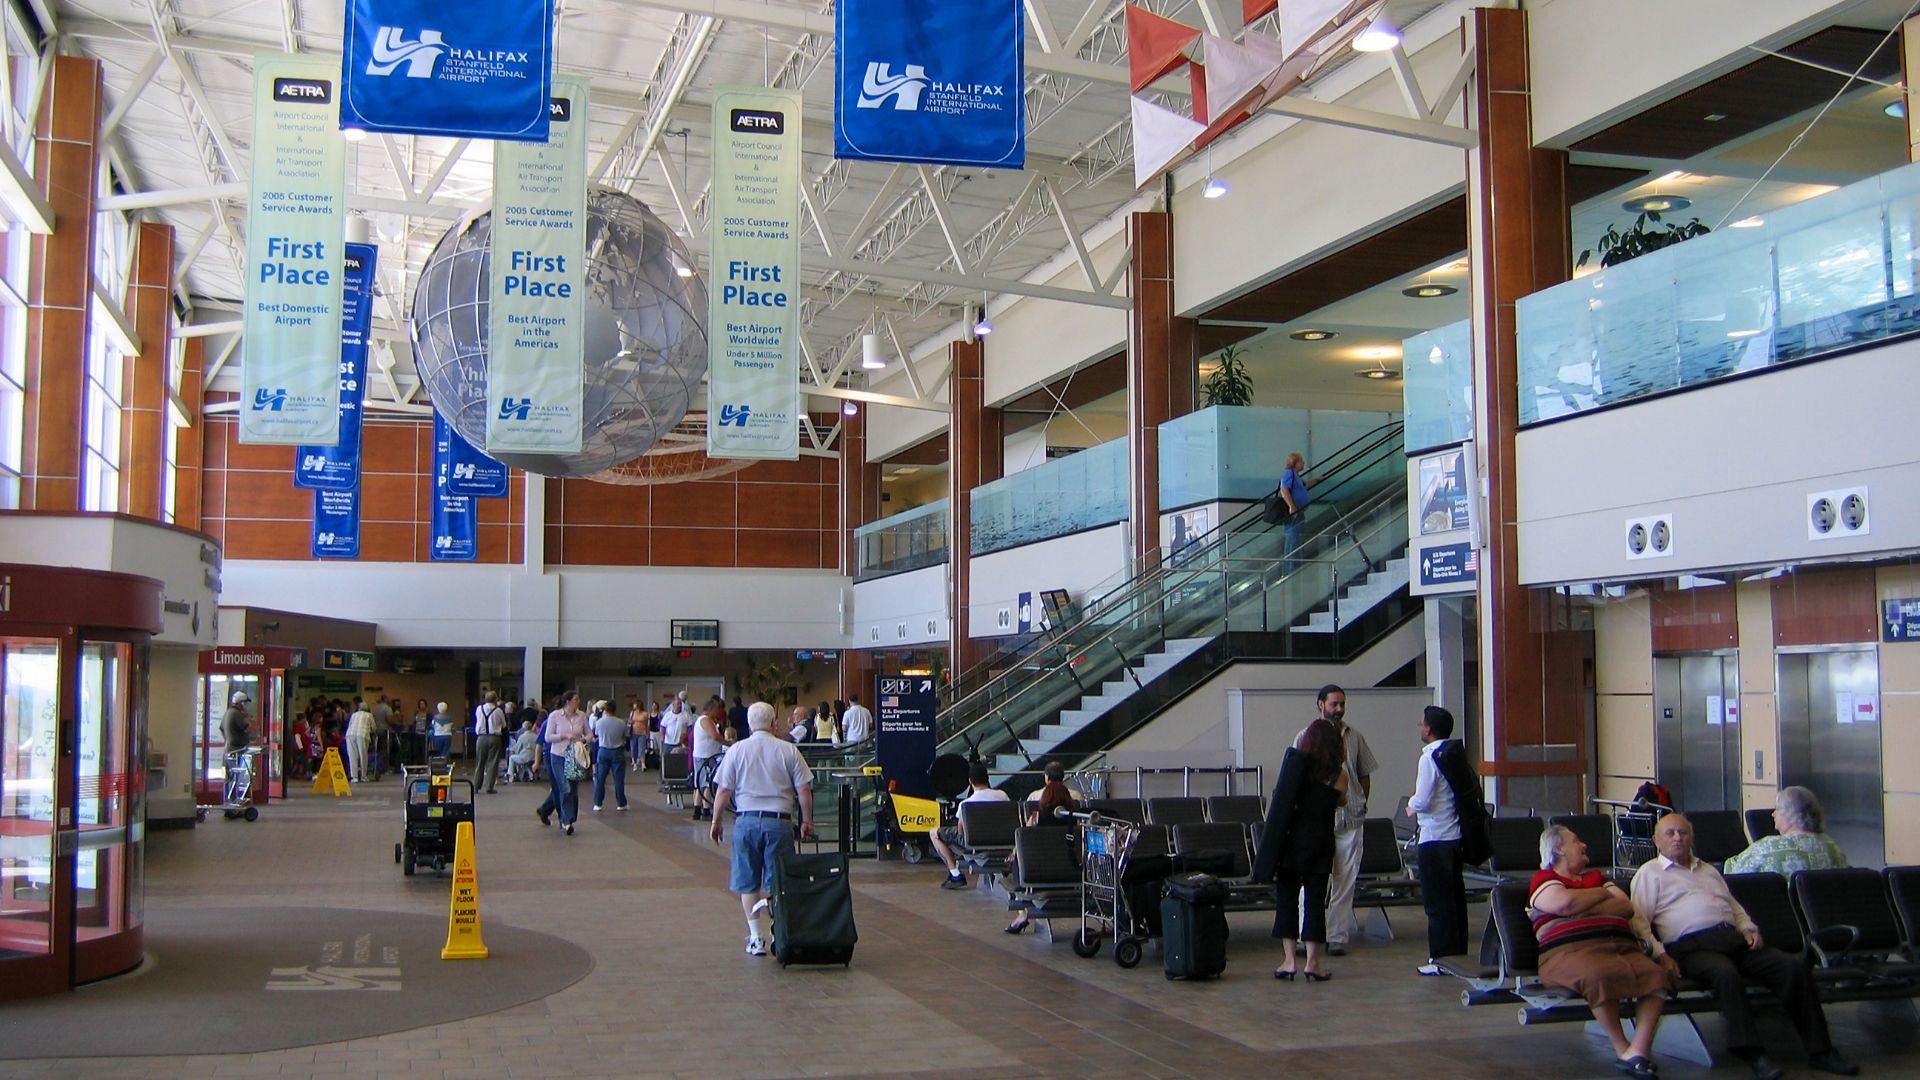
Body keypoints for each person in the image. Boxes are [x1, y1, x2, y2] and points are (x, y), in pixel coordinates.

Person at [1630, 814, 1857, 1079]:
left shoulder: (1708, 870)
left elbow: (1734, 908)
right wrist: (1661, 956)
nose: (1678, 838)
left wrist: (1749, 928)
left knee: (1791, 967)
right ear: (1656, 840)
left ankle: (1821, 1051)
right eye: (1670, 833)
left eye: (1683, 833)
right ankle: (1754, 1054)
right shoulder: (1650, 873)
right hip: (1690, 947)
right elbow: (1639, 922)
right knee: (1725, 973)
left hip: (1731, 939)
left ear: (1692, 838)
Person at [1531, 825, 1674, 1077]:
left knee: (1656, 976)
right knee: (1596, 977)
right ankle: (1623, 1049)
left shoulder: (1596, 876)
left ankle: (1638, 1051)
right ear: (1559, 849)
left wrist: (1578, 904)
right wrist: (1599, 895)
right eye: (1576, 841)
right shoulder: (1544, 878)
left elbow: (1625, 907)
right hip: (1569, 952)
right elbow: (1562, 903)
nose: (1584, 845)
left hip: (1618, 946)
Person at [708, 701, 815, 957]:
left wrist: (716, 821)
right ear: (774, 723)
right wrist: (807, 821)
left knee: (748, 881)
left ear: (749, 724)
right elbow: (804, 789)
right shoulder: (788, 750)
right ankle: (779, 932)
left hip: (746, 820)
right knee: (778, 882)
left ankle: (756, 937)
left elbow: (723, 791)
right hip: (779, 822)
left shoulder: (736, 750)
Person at [1293, 684, 1375, 955]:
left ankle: (1337, 936)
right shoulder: (1305, 737)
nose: (1339, 709)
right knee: (1311, 881)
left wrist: (1360, 802)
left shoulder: (1354, 737)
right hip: (1318, 820)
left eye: (1342, 704)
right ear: (1321, 705)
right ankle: (1307, 934)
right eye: (1333, 704)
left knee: (1345, 881)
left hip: (1350, 819)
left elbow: (1364, 773)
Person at [1270, 718, 1346, 982]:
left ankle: (1289, 961)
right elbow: (1342, 800)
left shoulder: (1296, 770)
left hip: (1292, 840)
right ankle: (1312, 962)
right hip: (1320, 841)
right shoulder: (1339, 775)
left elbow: (1282, 798)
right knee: (1315, 901)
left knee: (1287, 899)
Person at [1408, 704, 1469, 974]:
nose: (1420, 728)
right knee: (1454, 901)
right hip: (1454, 836)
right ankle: (1458, 956)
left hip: (1434, 837)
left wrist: (1411, 804)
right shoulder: (1453, 754)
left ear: (1429, 729)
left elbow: (1422, 800)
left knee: (1437, 904)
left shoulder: (1429, 757)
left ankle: (1441, 959)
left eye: (1422, 724)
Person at [1005, 763, 1078, 933]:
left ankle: (1022, 914)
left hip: (1038, 870)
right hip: (1070, 870)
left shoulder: (1036, 814)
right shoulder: (1075, 816)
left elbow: (1023, 841)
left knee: (1016, 863)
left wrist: (1013, 854)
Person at [1725, 786, 1849, 876]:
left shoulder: (1768, 848)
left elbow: (1732, 871)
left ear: (1789, 814)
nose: (1773, 814)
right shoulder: (1832, 847)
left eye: (1777, 809)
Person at [928, 761, 1011, 890]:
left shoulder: (965, 804)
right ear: (987, 778)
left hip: (975, 842)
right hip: (1001, 840)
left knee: (934, 833)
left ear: (970, 781)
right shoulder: (1002, 796)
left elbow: (960, 830)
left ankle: (955, 874)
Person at [537, 692, 592, 836]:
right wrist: (564, 736)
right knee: (564, 787)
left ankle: (569, 818)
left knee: (572, 788)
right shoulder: (555, 716)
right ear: (568, 701)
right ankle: (566, 820)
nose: (578, 701)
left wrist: (583, 740)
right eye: (576, 699)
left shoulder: (582, 716)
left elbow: (589, 734)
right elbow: (548, 737)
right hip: (558, 756)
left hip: (574, 756)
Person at [690, 699, 727, 821]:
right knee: (707, 783)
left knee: (700, 783)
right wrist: (727, 743)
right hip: (706, 756)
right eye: (716, 710)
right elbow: (715, 736)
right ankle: (705, 809)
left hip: (702, 755)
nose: (717, 712)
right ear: (711, 709)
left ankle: (697, 809)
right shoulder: (705, 720)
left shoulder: (703, 720)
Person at [590, 699, 629, 812]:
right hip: (617, 751)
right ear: (615, 710)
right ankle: (621, 803)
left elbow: (596, 734)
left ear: (605, 710)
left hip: (603, 751)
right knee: (618, 779)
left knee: (600, 779)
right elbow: (625, 737)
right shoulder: (621, 723)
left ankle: (598, 803)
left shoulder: (599, 722)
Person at [1276, 450, 1311, 573]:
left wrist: (1317, 479)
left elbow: (1305, 485)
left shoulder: (1296, 476)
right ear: (1295, 463)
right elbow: (1284, 489)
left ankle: (1295, 568)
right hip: (1294, 513)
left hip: (1299, 512)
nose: (1303, 463)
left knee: (1298, 541)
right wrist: (1292, 506)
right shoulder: (1289, 473)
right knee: (1293, 541)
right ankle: (1291, 570)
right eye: (1301, 461)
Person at [472, 691, 510, 794]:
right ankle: (489, 786)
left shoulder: (479, 709)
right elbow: (504, 725)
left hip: (481, 737)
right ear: (495, 699)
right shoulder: (498, 711)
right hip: (495, 737)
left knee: (480, 762)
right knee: (492, 762)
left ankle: (476, 786)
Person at [345, 697, 376, 783]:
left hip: (350, 735)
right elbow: (374, 728)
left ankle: (354, 777)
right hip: (362, 735)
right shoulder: (369, 715)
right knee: (363, 755)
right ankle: (363, 776)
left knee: (352, 756)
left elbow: (350, 725)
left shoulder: (354, 715)